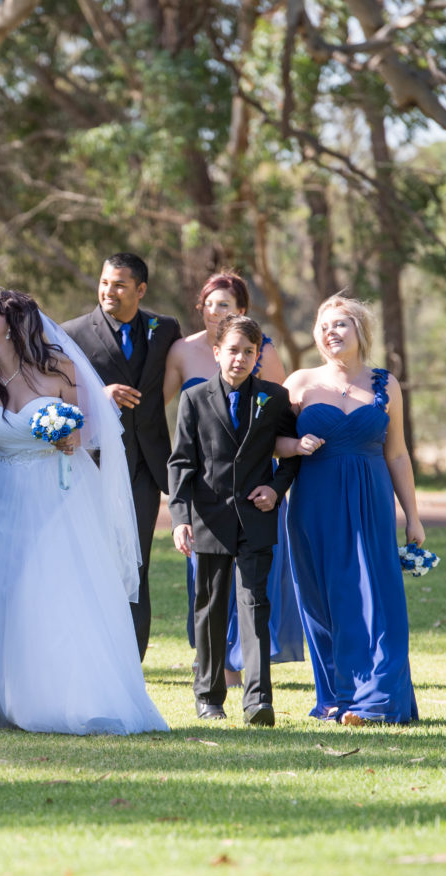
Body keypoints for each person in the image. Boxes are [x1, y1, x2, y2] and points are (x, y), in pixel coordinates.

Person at [0, 289, 168, 735]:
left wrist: (71, 437)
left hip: (60, 494)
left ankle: (60, 697)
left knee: (53, 587)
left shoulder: (61, 369)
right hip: (5, 493)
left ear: (15, 323)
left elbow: (88, 428)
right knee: (1, 586)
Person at [279, 294, 422, 725]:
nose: (331, 332)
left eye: (341, 324)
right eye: (324, 326)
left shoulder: (385, 384)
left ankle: (377, 701)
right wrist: (294, 446)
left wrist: (412, 516)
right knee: (326, 600)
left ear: (361, 332)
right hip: (314, 505)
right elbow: (273, 445)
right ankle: (340, 697)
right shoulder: (299, 383)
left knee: (378, 599)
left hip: (371, 503)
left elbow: (397, 454)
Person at [164, 271, 305, 689]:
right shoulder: (193, 398)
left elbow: (289, 448)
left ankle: (258, 697)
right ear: (217, 351)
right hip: (207, 518)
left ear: (259, 353)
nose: (240, 358)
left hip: (256, 517)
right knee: (208, 605)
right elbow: (181, 461)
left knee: (254, 604)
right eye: (233, 351)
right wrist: (179, 517)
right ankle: (209, 693)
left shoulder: (273, 398)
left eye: (248, 351)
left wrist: (276, 488)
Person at [63, 252, 181, 660]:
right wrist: (100, 398)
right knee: (93, 563)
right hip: (91, 467)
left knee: (137, 565)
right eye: (105, 282)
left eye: (119, 285)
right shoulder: (72, 333)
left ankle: (131, 663)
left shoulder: (165, 329)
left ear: (140, 290)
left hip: (146, 469)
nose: (109, 291)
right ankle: (91, 657)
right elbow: (55, 397)